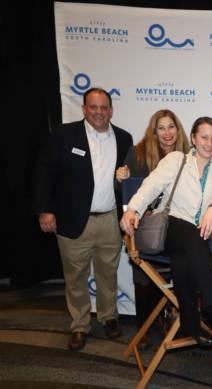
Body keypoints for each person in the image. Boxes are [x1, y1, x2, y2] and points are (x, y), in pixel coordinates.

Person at [120, 117, 212, 347]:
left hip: (197, 238)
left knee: (183, 262)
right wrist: (134, 209)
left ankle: (191, 324)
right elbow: (151, 186)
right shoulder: (176, 159)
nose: (209, 143)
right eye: (204, 137)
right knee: (190, 235)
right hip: (169, 229)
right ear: (194, 139)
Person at [34, 88, 133, 351]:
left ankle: (109, 316)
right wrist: (44, 209)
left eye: (104, 107)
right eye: (94, 107)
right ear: (84, 109)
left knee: (108, 274)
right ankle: (79, 325)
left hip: (110, 220)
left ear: (111, 110)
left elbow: (126, 181)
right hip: (72, 220)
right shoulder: (64, 135)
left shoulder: (124, 138)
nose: (99, 112)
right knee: (75, 277)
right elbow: (44, 172)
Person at [115, 109, 190, 349]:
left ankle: (169, 319)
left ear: (177, 130)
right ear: (154, 131)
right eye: (161, 128)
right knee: (144, 280)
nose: (167, 133)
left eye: (171, 127)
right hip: (146, 228)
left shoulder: (188, 156)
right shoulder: (138, 154)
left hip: (176, 228)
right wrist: (119, 180)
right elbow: (126, 195)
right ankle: (144, 327)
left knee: (174, 273)